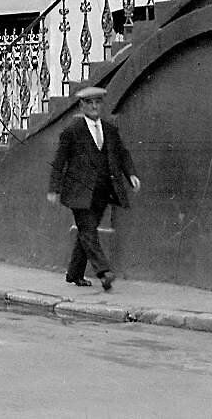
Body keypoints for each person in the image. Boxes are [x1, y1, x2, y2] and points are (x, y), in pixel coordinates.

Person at [47, 85, 140, 291]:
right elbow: (59, 160)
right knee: (88, 231)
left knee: (86, 232)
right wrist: (54, 188)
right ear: (82, 106)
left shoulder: (109, 130)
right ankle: (104, 272)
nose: (94, 107)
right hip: (78, 192)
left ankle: (74, 273)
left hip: (102, 191)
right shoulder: (72, 131)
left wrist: (131, 174)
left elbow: (122, 154)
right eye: (89, 103)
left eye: (98, 102)